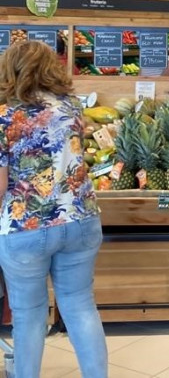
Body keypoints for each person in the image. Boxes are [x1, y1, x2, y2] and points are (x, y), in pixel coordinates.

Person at [0, 41, 107, 378]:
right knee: (80, 305)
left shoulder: (4, 115)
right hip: (81, 220)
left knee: (28, 313)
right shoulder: (72, 106)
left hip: (25, 227)